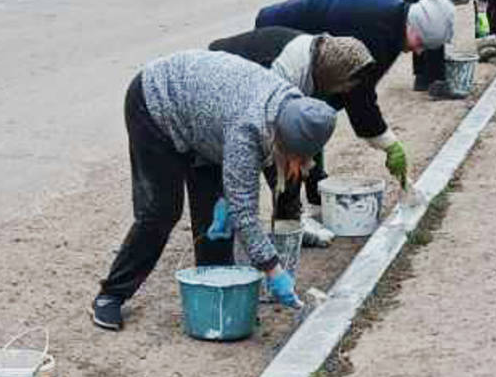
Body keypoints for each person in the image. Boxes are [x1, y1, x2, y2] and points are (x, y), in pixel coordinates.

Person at [90, 50, 338, 332]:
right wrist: (274, 269)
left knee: (214, 220)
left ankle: (218, 302)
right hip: (156, 103)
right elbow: (245, 213)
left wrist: (226, 200)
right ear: (284, 139)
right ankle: (110, 295)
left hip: (206, 122)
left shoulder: (292, 105)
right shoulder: (247, 130)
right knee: (161, 210)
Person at [254, 0, 454, 213]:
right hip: (278, 37)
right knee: (295, 125)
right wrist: (389, 144)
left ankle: (317, 189)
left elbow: (355, 91)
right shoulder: (377, 30)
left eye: (425, 47)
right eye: (421, 41)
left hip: (305, 42)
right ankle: (289, 216)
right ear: (413, 24)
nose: (418, 51)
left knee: (317, 113)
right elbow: (360, 97)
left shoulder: (395, 24)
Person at [207, 28, 377, 243]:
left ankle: (285, 224)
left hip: (251, 78)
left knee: (291, 152)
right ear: (331, 74)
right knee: (267, 160)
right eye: (342, 84)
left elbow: (305, 136)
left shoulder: (318, 58)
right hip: (222, 78)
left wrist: (313, 174)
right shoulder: (283, 72)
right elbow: (273, 146)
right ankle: (285, 228)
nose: (343, 91)